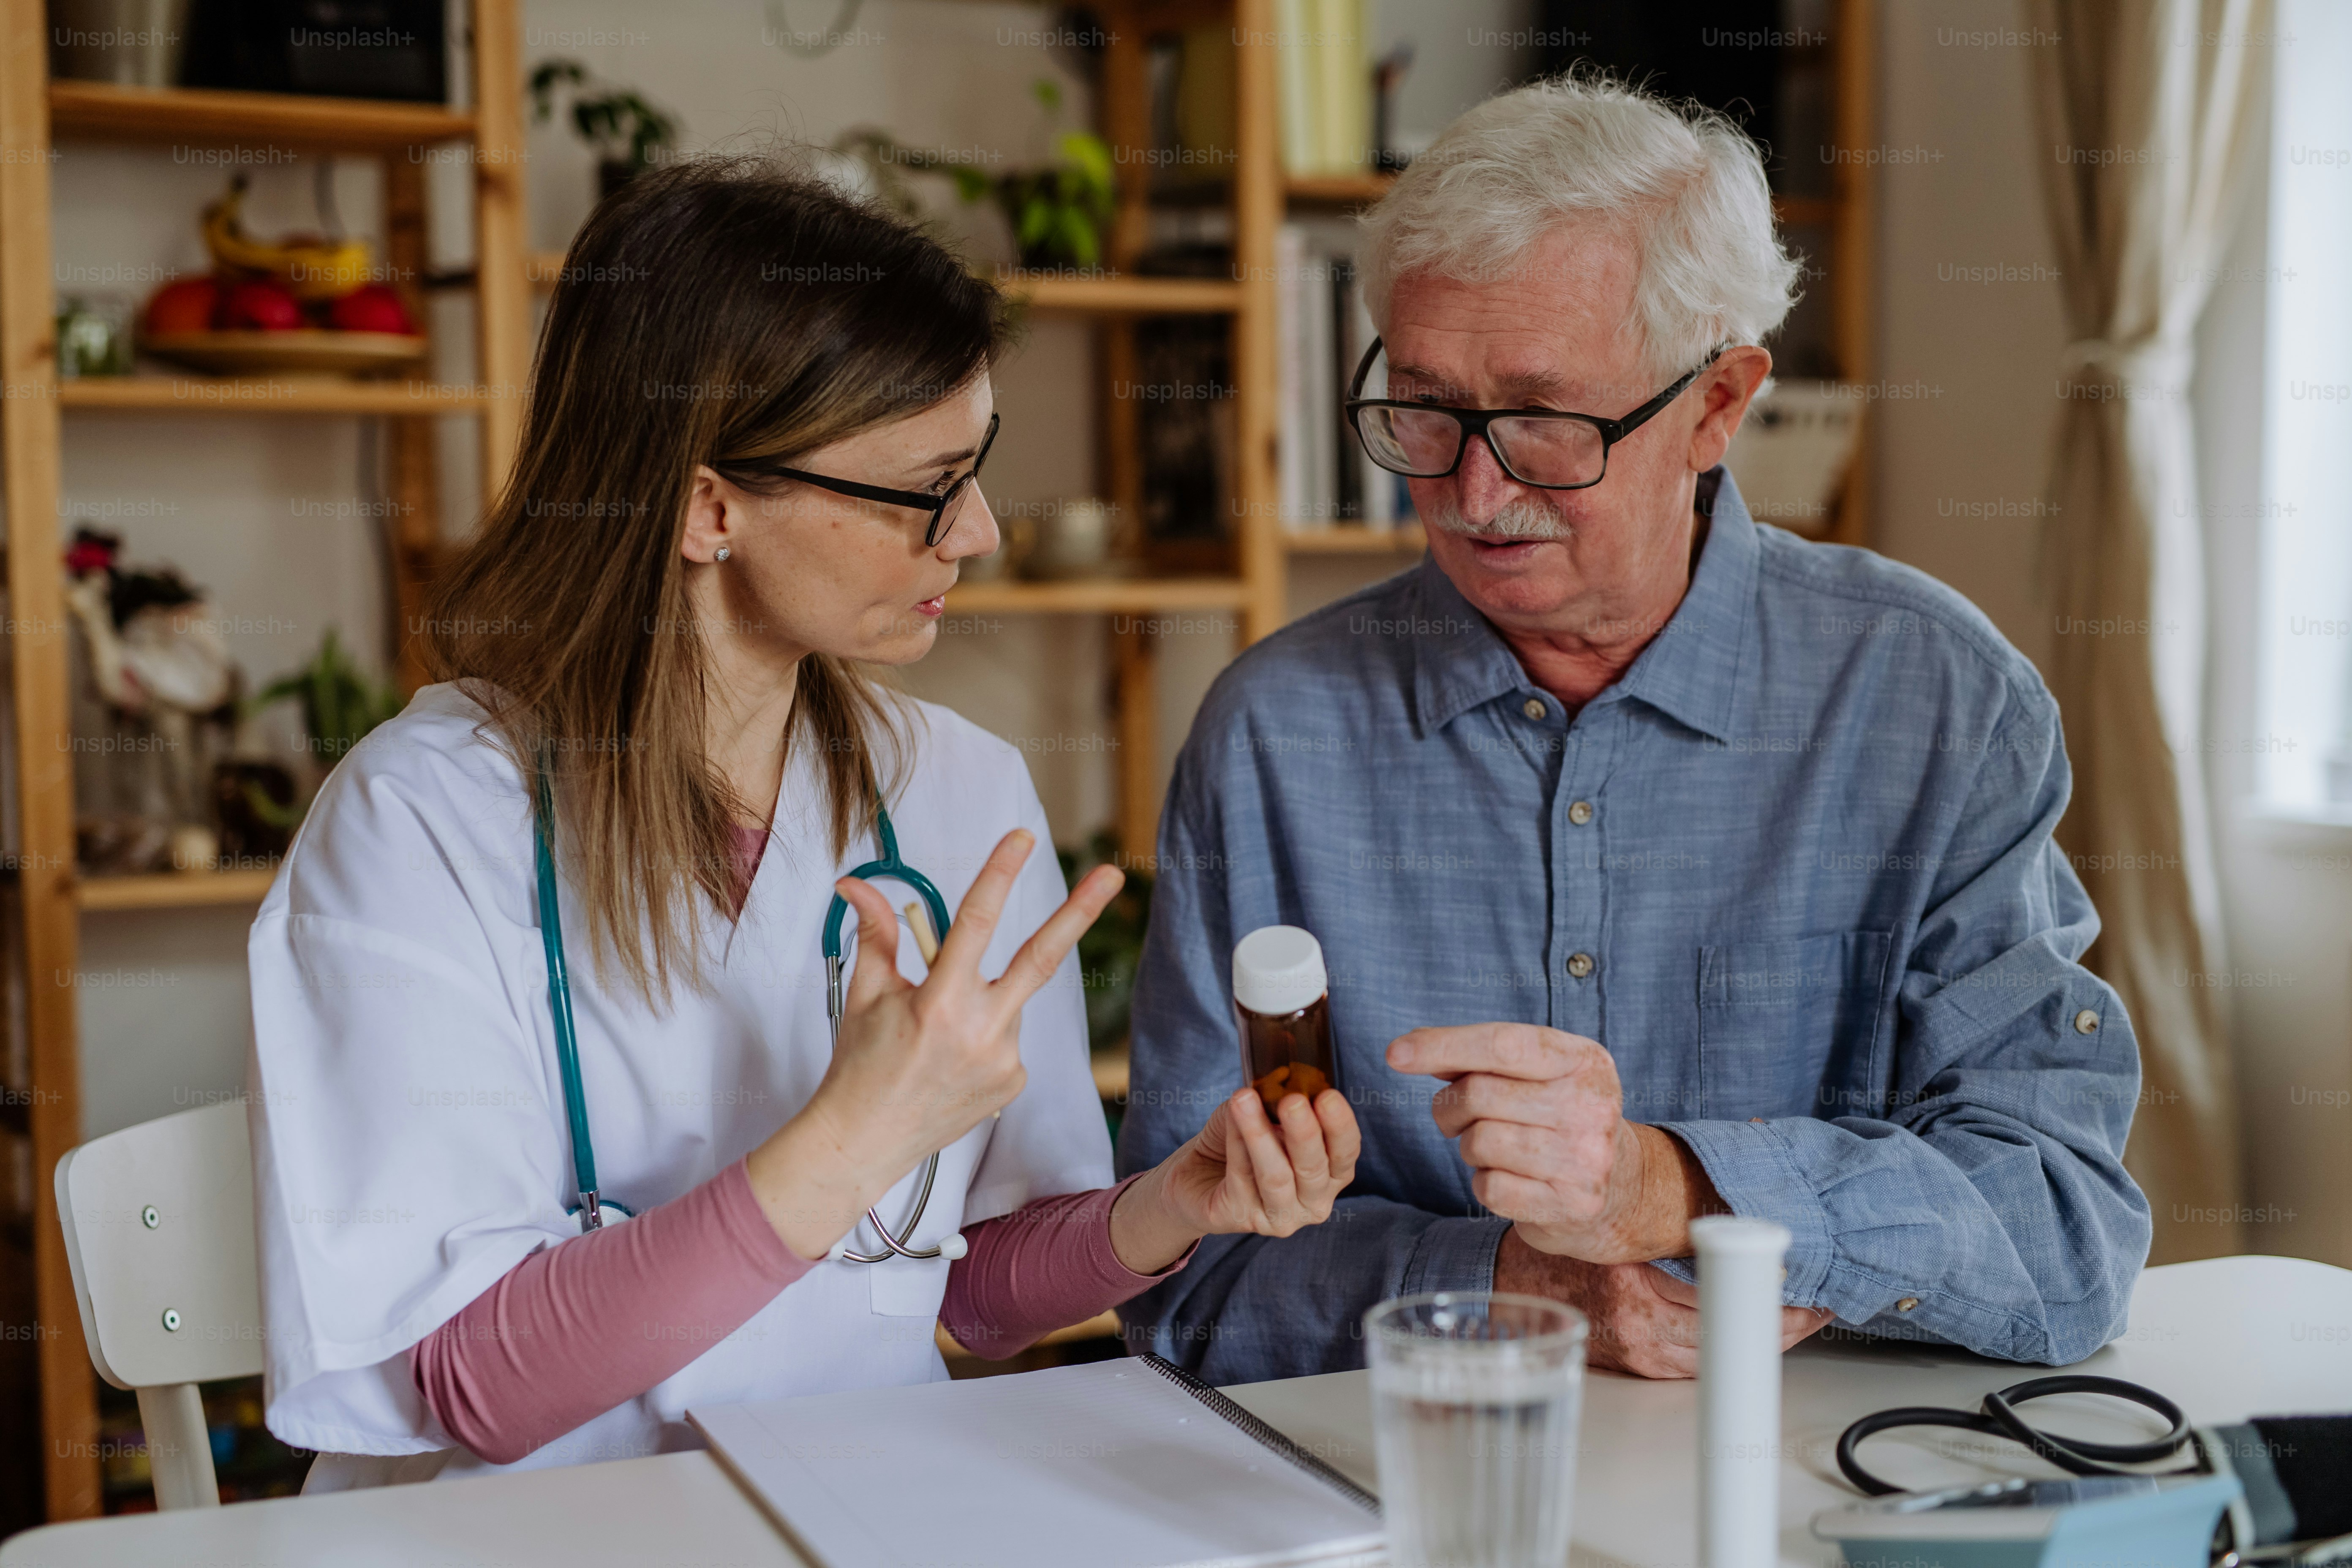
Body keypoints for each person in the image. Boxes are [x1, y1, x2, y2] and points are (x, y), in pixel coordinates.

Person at [246, 156, 1360, 1487]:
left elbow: (965, 1296)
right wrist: (862, 1131)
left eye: (980, 470)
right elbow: (474, 1384)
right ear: (710, 506)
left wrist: (1172, 1206)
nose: (983, 532)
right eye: (926, 487)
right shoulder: (420, 824)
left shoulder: (958, 790)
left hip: (855, 1507)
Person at [1117, 75, 2151, 1382]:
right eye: (1426, 408)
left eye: (1547, 420)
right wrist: (1503, 1283)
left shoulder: (1933, 702)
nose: (1475, 492)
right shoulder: (1276, 733)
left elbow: (2066, 1236)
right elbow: (1180, 1284)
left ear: (1718, 405)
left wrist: (1680, 1193)